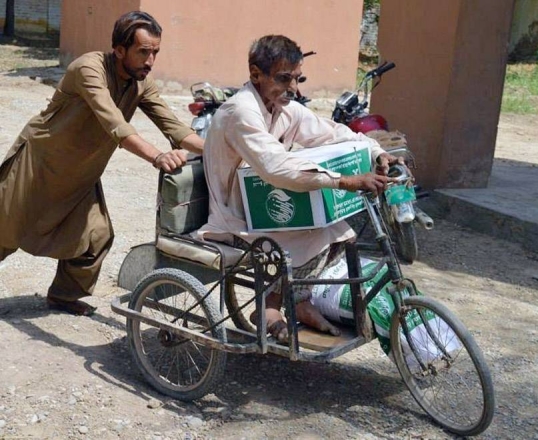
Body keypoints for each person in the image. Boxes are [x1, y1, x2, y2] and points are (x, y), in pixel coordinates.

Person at [195, 35, 402, 341]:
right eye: (283, 78)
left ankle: (297, 301)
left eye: (296, 78)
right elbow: (276, 166)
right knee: (318, 236)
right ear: (256, 74)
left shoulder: (283, 107)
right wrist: (343, 181)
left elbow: (332, 133)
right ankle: (271, 304)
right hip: (235, 217)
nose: (293, 88)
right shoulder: (241, 112)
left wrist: (375, 152)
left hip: (264, 207)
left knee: (338, 233)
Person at [0, 11, 204, 316]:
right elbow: (115, 126)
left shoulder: (141, 83)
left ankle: (64, 296)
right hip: (39, 164)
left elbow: (174, 128)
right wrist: (157, 156)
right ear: (119, 50)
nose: (150, 61)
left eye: (155, 53)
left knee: (96, 237)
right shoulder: (88, 69)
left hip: (82, 173)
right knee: (5, 231)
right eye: (143, 52)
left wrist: (221, 151)